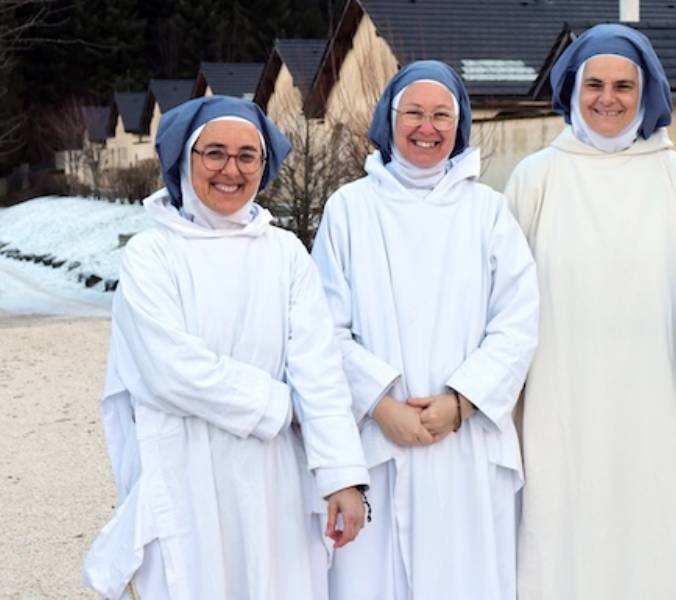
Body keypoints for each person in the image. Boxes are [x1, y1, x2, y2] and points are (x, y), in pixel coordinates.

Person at [82, 95, 370, 599]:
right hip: (184, 466)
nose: (230, 170)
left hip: (274, 477)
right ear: (184, 160)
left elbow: (319, 371)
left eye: (246, 156)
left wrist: (343, 477)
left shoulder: (286, 255)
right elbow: (169, 369)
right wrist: (281, 405)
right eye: (214, 153)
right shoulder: (152, 254)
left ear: (265, 165)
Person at [310, 60, 539, 600]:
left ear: (459, 127)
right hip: (376, 439)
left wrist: (459, 403)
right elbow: (321, 327)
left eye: (442, 115)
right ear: (388, 120)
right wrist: (381, 404)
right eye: (413, 113)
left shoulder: (488, 212)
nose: (426, 128)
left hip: (466, 444)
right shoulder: (349, 210)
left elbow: (518, 321)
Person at [505, 23, 676, 600]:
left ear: (646, 93)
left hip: (662, 399)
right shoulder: (536, 177)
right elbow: (505, 300)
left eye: (624, 84)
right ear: (573, 88)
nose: (608, 98)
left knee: (658, 519)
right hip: (560, 398)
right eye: (594, 83)